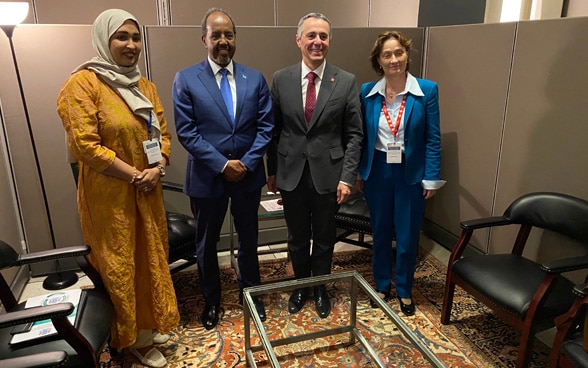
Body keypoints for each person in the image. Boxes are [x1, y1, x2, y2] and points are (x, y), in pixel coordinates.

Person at [57, 9, 179, 368]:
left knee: (151, 257)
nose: (131, 45)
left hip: (148, 189)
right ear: (103, 40)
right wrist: (134, 175)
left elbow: (163, 134)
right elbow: (86, 146)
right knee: (121, 263)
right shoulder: (82, 84)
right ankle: (130, 338)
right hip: (111, 197)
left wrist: (157, 168)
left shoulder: (144, 86)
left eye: (136, 37)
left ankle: (150, 323)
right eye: (121, 37)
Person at [172, 8, 273, 330]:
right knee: (206, 243)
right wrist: (221, 164)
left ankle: (251, 294)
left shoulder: (254, 78)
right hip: (207, 176)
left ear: (235, 39)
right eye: (216, 35)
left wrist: (246, 162)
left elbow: (265, 127)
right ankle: (212, 300)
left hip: (248, 174)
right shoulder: (186, 78)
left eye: (228, 34)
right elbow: (186, 131)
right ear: (204, 39)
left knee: (249, 238)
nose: (223, 41)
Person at [266, 13, 363, 319]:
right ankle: (300, 286)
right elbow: (274, 129)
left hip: (329, 176)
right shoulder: (281, 78)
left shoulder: (345, 81)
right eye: (311, 36)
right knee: (296, 236)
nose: (317, 42)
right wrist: (272, 171)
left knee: (323, 236)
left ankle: (320, 287)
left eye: (323, 36)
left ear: (329, 41)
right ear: (299, 40)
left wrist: (348, 177)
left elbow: (354, 134)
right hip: (291, 173)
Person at [356, 31, 445, 316]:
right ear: (378, 61)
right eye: (387, 55)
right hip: (378, 171)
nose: (394, 59)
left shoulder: (427, 91)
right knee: (380, 232)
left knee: (407, 235)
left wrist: (431, 176)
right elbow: (360, 138)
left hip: (411, 173)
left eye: (399, 53)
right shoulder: (367, 92)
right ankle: (382, 284)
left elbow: (433, 137)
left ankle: (404, 289)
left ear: (407, 55)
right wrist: (360, 172)